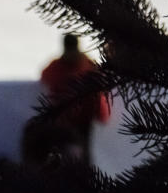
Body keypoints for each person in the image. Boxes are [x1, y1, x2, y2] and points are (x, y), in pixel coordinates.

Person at [25, 34, 109, 166]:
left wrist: (100, 114)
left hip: (79, 125)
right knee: (34, 133)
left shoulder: (85, 67)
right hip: (61, 123)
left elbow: (98, 102)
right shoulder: (70, 66)